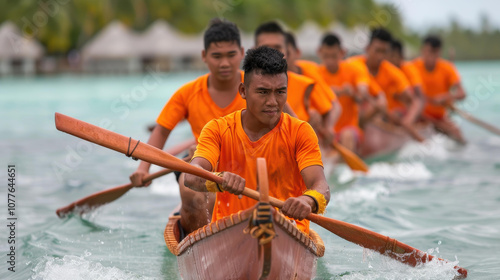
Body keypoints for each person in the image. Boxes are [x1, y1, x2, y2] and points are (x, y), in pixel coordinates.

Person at [184, 46, 331, 234]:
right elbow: (191, 176)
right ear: (243, 91)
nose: (273, 102)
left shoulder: (301, 131)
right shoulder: (218, 129)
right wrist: (218, 180)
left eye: (280, 92)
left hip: (289, 229)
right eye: (263, 92)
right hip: (230, 231)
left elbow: (321, 186)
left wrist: (308, 200)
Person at [129, 19, 246, 234]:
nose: (224, 63)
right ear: (204, 56)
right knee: (192, 194)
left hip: (249, 163)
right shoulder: (188, 93)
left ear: (242, 52)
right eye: (216, 56)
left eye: (231, 55)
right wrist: (142, 169)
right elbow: (162, 130)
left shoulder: (257, 87)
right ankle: (201, 247)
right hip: (201, 164)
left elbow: (288, 122)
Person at [254, 21, 336, 144]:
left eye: (277, 48)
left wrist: (318, 123)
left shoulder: (304, 84)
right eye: (265, 49)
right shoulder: (244, 85)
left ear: (286, 52)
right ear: (254, 52)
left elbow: (330, 109)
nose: (272, 55)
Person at [348, 28, 419, 128]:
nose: (380, 56)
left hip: (381, 119)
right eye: (377, 51)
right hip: (354, 117)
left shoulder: (393, 72)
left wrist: (407, 121)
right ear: (367, 48)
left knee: (379, 105)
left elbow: (413, 101)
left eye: (384, 52)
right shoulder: (352, 65)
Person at [316, 33, 371, 154]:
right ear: (319, 52)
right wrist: (334, 91)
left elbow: (362, 95)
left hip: (349, 130)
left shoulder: (353, 69)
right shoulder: (316, 73)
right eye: (326, 56)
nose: (330, 61)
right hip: (325, 131)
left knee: (347, 136)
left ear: (342, 52)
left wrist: (353, 93)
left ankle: (346, 169)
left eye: (334, 56)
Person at [411, 35, 467, 144]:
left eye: (435, 52)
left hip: (439, 117)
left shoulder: (447, 68)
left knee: (458, 135)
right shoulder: (413, 66)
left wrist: (446, 97)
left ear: (439, 52)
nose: (432, 56)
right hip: (417, 116)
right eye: (429, 51)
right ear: (422, 50)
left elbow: (462, 93)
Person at [284, 31, 342, 135]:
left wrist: (328, 128)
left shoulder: (310, 70)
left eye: (286, 54)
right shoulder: (265, 80)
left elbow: (335, 106)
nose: (281, 59)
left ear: (297, 52)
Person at [388, 39, 425, 123]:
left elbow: (419, 96)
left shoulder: (409, 69)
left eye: (393, 56)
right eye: (389, 56)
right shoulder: (384, 68)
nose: (390, 59)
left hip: (404, 111)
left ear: (401, 57)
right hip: (388, 111)